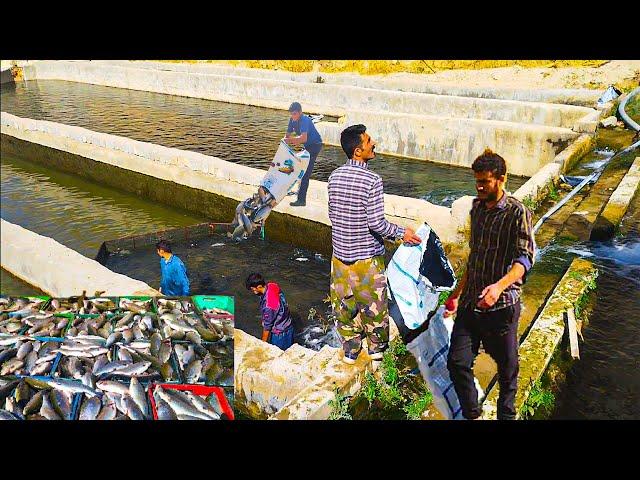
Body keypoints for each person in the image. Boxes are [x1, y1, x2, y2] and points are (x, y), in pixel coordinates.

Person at [445, 148, 536, 420]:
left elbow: (525, 259)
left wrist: (498, 287)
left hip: (502, 308)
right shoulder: (476, 208)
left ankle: (506, 416)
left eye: (485, 181)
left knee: (507, 368)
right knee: (457, 362)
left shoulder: (517, 212)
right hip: (472, 302)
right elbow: (475, 258)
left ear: (502, 179)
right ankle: (472, 413)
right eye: (477, 181)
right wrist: (457, 294)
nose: (480, 187)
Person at [327, 124, 422, 364]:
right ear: (358, 151)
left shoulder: (334, 176)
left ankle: (350, 350)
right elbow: (377, 224)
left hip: (339, 258)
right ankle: (376, 350)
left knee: (344, 307)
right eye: (369, 141)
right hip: (366, 259)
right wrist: (403, 233)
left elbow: (333, 214)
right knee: (374, 307)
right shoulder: (372, 180)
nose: (374, 143)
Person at [284, 101, 323, 207]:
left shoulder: (305, 120)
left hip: (315, 145)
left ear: (300, 112)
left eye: (295, 114)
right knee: (296, 167)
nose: (293, 116)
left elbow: (303, 138)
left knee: (305, 172)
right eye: (291, 114)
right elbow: (287, 136)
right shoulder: (292, 120)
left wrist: (290, 140)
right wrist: (285, 142)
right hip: (307, 145)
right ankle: (298, 192)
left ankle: (301, 200)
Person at [246, 273, 294, 350]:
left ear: (259, 287)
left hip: (280, 334)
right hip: (288, 325)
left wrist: (262, 344)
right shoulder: (272, 285)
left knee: (278, 354)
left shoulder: (269, 306)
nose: (253, 290)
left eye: (253, 289)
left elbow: (267, 327)